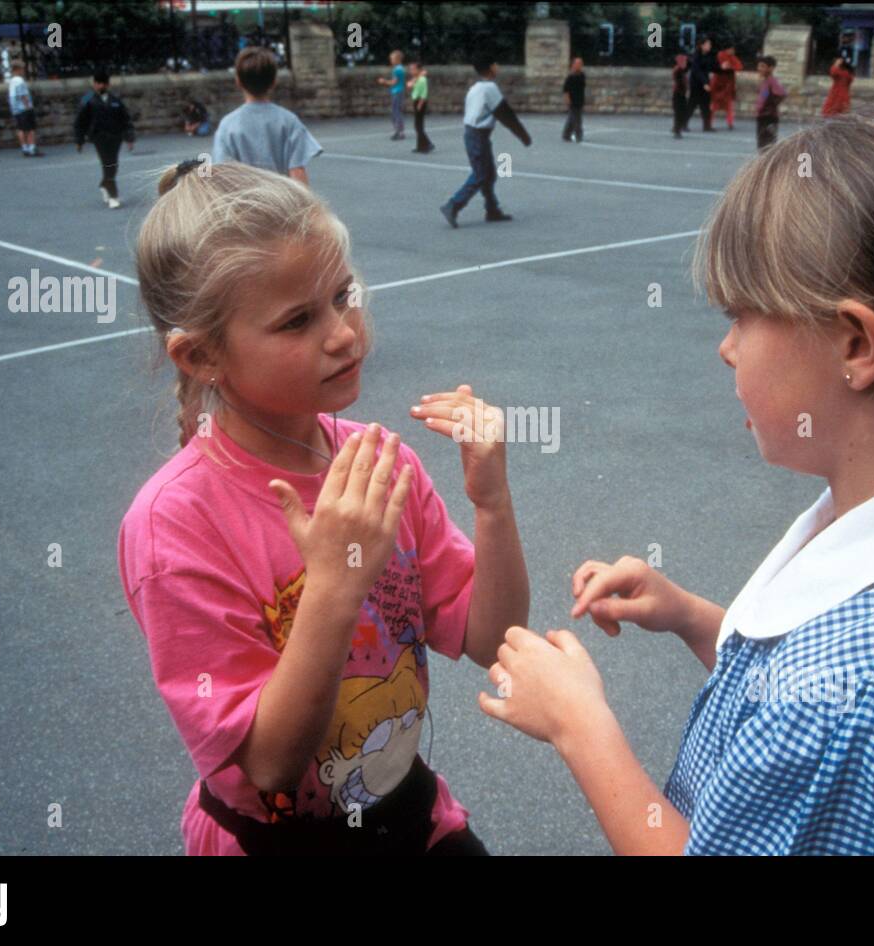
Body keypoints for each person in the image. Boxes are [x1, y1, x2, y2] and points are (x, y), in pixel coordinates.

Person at [477, 104, 874, 855]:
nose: (725, 348)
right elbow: (786, 687)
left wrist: (581, 728)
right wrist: (689, 614)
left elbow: (810, 707)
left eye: (742, 315)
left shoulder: (848, 700)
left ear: (855, 344)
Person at [120, 160, 530, 855]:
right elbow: (270, 763)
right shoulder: (174, 525)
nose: (343, 332)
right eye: (298, 320)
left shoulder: (380, 462)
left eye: (343, 294)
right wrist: (337, 585)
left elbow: (492, 641)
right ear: (201, 356)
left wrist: (491, 504)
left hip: (404, 811)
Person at [439, 50, 530, 229]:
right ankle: (453, 205)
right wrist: (523, 136)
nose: (498, 67)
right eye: (495, 64)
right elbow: (506, 115)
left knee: (488, 173)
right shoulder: (490, 89)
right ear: (490, 68)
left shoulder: (475, 88)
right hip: (478, 135)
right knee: (481, 174)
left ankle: (492, 209)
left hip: (474, 133)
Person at [213, 46, 322, 185]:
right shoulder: (289, 121)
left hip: (244, 203)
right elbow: (297, 172)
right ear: (274, 81)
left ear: (238, 82)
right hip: (281, 203)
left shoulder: (228, 125)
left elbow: (224, 176)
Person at [73, 69, 135, 209]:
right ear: (94, 84)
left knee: (113, 164)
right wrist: (79, 141)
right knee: (108, 163)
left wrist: (129, 138)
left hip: (115, 137)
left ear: (108, 85)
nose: (101, 86)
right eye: (98, 83)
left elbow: (125, 120)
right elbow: (80, 122)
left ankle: (104, 184)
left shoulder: (116, 101)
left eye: (104, 84)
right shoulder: (88, 101)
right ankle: (113, 195)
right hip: (99, 137)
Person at [7, 61, 42, 157]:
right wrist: (28, 107)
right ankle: (32, 148)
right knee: (30, 129)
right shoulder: (20, 81)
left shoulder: (12, 81)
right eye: (22, 69)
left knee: (21, 129)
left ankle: (24, 148)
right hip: (24, 108)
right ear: (17, 69)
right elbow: (23, 95)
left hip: (16, 109)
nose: (23, 71)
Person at [754, 55, 787, 151]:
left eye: (762, 66)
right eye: (759, 66)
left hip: (769, 118)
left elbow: (782, 94)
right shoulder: (766, 81)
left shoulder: (772, 81)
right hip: (762, 117)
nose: (759, 69)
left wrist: (770, 106)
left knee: (768, 146)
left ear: (771, 68)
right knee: (762, 145)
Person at [687, 37, 717, 132]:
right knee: (691, 105)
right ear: (702, 45)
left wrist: (722, 67)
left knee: (706, 106)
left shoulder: (708, 55)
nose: (710, 46)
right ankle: (683, 124)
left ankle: (707, 126)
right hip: (696, 84)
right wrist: (704, 83)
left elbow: (713, 66)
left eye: (710, 44)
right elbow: (697, 71)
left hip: (705, 84)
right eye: (708, 44)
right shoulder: (696, 56)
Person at [710, 46, 743, 131]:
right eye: (731, 49)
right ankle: (710, 122)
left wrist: (730, 67)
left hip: (726, 85)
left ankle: (730, 122)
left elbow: (739, 66)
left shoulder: (732, 57)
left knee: (727, 105)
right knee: (715, 105)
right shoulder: (721, 55)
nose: (733, 51)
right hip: (719, 85)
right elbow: (728, 66)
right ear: (727, 49)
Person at [377, 49, 406, 140]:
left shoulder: (397, 70)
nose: (391, 61)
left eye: (392, 59)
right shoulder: (401, 69)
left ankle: (398, 132)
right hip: (399, 91)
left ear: (397, 59)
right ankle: (400, 131)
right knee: (397, 111)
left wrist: (383, 81)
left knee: (395, 112)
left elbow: (394, 82)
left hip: (396, 92)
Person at [409, 59, 433, 153]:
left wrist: (420, 104)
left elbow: (424, 94)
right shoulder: (418, 79)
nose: (411, 71)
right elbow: (409, 85)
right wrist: (418, 76)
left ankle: (426, 145)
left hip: (420, 102)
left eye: (413, 69)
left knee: (419, 126)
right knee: (417, 126)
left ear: (419, 69)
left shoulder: (422, 80)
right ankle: (421, 146)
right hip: (416, 101)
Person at [561, 56, 586, 143]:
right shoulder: (570, 77)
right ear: (573, 65)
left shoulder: (582, 75)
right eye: (578, 64)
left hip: (580, 100)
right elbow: (565, 90)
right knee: (577, 120)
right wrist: (568, 101)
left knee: (572, 119)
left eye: (581, 64)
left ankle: (566, 134)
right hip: (573, 101)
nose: (580, 65)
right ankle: (579, 136)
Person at [671, 53, 689, 139]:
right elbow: (680, 83)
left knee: (680, 112)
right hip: (679, 94)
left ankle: (677, 128)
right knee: (680, 113)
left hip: (680, 94)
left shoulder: (680, 70)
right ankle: (677, 130)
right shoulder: (678, 71)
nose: (685, 63)